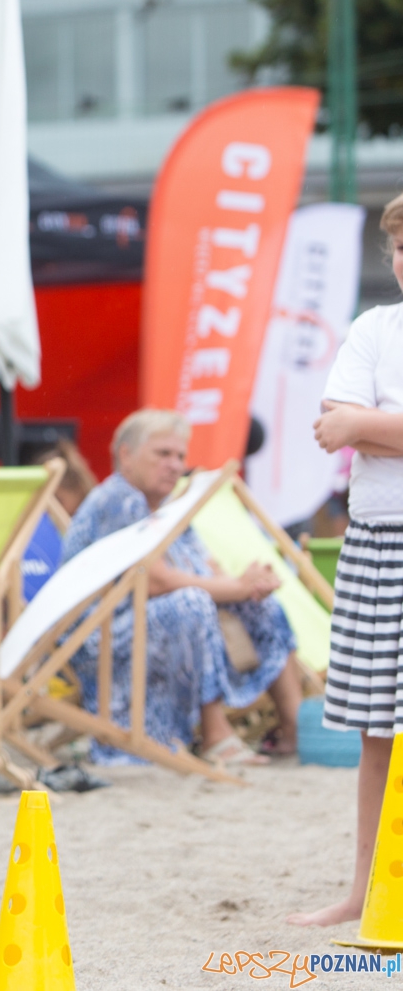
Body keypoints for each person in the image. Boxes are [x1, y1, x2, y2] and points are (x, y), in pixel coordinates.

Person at [64, 409, 302, 769]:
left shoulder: (167, 510)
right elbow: (155, 581)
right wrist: (234, 587)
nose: (175, 465)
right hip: (101, 635)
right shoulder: (118, 499)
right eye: (163, 454)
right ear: (125, 454)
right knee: (190, 603)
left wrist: (249, 584)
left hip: (153, 627)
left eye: (179, 456)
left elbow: (209, 570)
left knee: (260, 605)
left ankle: (295, 728)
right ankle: (214, 734)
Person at [288, 192, 403, 929]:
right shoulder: (374, 326)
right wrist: (365, 426)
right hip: (376, 541)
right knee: (375, 730)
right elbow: (335, 427)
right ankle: (368, 891)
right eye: (399, 247)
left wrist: (372, 423)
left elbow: (355, 424)